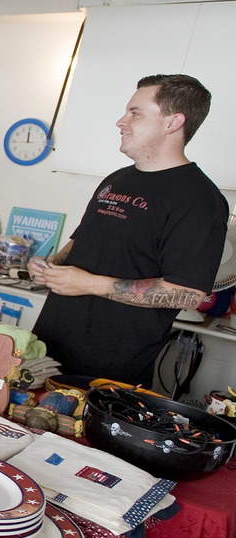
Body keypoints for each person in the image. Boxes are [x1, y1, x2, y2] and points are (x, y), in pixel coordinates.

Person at [30, 74, 228, 386]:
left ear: (173, 122)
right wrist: (51, 264)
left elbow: (187, 294)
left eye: (135, 113)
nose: (121, 121)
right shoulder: (116, 179)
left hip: (107, 371)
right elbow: (80, 242)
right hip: (45, 350)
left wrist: (88, 284)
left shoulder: (200, 201)